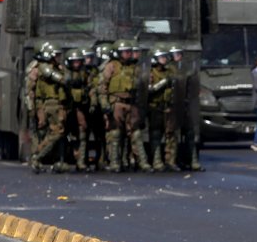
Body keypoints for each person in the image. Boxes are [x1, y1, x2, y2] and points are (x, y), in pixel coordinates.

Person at [99, 40, 151, 172]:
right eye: (125, 52)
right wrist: (105, 104)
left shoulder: (135, 68)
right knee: (115, 133)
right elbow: (102, 87)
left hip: (132, 104)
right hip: (116, 103)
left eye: (129, 51)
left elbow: (141, 89)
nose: (129, 54)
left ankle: (142, 162)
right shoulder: (111, 66)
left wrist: (141, 108)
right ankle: (114, 163)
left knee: (136, 134)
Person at [27, 42, 68, 173]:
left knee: (56, 133)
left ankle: (55, 160)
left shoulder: (57, 67)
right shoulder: (44, 68)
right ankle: (37, 157)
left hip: (58, 103)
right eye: (56, 55)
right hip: (50, 104)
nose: (58, 57)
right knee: (55, 132)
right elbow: (30, 90)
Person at [170, 44, 202, 171]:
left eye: (179, 54)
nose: (177, 57)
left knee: (190, 134)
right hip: (172, 106)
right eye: (174, 54)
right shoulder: (167, 69)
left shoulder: (188, 69)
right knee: (174, 135)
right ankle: (174, 161)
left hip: (186, 105)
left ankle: (193, 161)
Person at [148, 44, 179, 169]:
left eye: (165, 56)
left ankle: (170, 161)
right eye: (161, 57)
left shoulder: (170, 71)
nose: (164, 59)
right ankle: (156, 162)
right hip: (155, 107)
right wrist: (164, 82)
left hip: (169, 107)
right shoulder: (151, 72)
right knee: (156, 135)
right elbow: (149, 89)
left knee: (171, 135)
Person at [64, 49, 91, 171]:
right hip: (66, 107)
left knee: (82, 132)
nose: (77, 64)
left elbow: (90, 87)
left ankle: (81, 161)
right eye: (74, 62)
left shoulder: (84, 73)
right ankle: (62, 159)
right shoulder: (64, 73)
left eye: (78, 61)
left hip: (80, 107)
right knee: (62, 132)